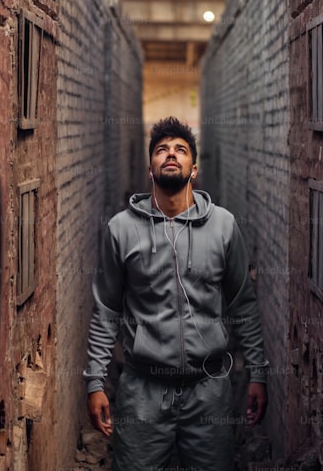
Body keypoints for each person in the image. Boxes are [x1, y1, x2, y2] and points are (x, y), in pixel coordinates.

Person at [83, 116, 268, 469]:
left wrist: (258, 372)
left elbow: (243, 304)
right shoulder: (121, 229)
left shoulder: (224, 226)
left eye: (180, 150)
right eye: (162, 150)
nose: (171, 154)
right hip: (143, 392)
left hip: (208, 390)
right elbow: (106, 310)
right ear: (150, 168)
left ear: (194, 169)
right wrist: (95, 381)